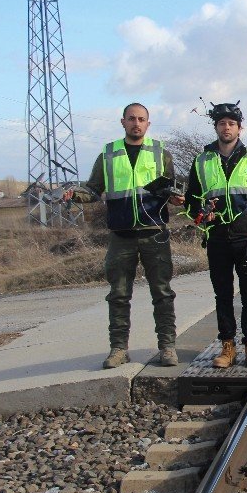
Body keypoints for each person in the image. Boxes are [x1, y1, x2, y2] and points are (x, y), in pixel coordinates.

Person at [63, 103, 182, 369]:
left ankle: (167, 347)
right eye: (132, 119)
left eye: (141, 119)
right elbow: (93, 189)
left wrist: (178, 199)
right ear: (123, 122)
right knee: (118, 294)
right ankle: (118, 349)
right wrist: (75, 195)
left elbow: (172, 192)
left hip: (155, 234)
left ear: (148, 124)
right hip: (121, 234)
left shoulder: (161, 152)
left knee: (162, 293)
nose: (136, 123)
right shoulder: (108, 154)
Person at [185, 102, 247, 369]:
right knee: (222, 295)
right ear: (216, 127)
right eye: (222, 123)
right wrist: (201, 214)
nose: (227, 127)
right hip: (217, 240)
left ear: (239, 128)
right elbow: (191, 201)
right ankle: (227, 346)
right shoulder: (201, 161)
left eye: (231, 123)